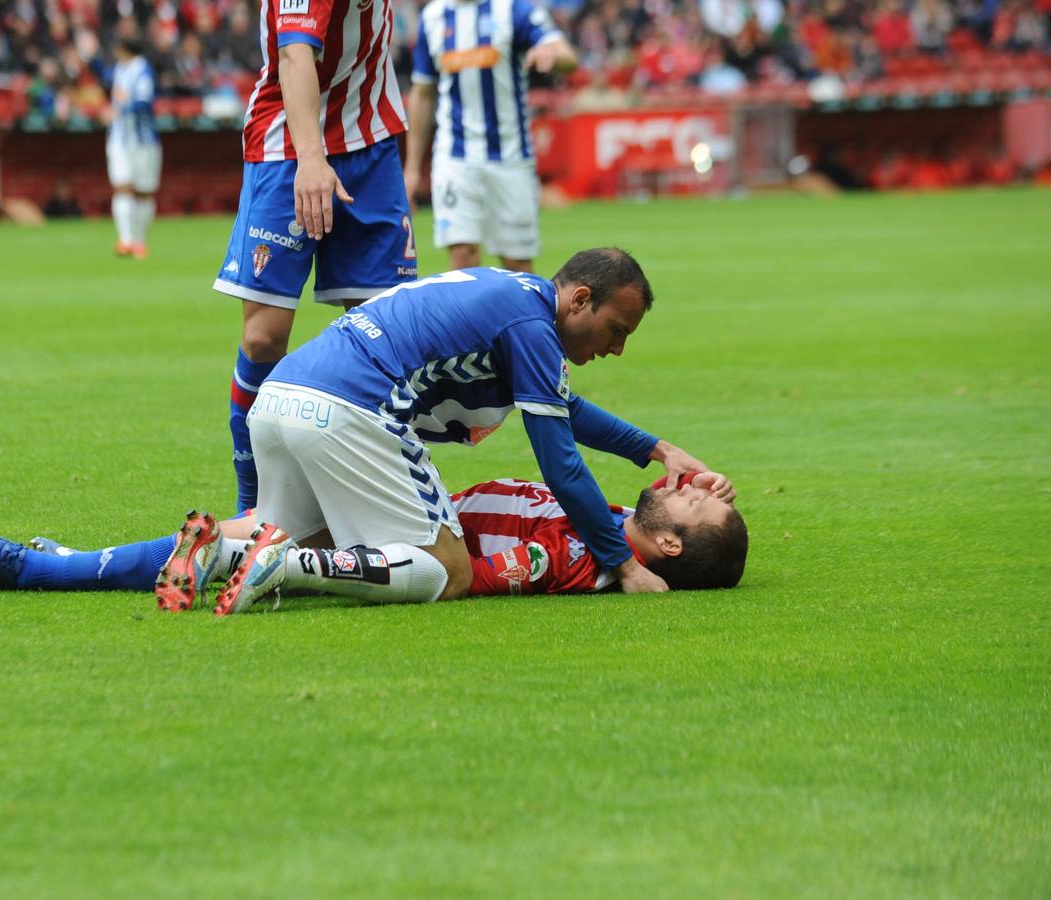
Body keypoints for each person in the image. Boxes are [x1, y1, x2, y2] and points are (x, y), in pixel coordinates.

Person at [175, 248, 726, 616]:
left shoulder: (517, 299)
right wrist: (623, 563)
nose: (616, 348)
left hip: (282, 396)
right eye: (616, 329)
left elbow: (565, 408)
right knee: (449, 570)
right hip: (351, 411)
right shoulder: (531, 329)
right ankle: (284, 568)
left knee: (282, 531)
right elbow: (559, 464)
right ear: (580, 299)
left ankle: (205, 553)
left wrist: (656, 449)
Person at [0, 471, 747, 604]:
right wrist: (701, 491)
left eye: (690, 507)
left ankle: (39, 572)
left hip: (399, 531)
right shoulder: (613, 527)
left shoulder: (576, 556)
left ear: (669, 548)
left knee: (237, 540)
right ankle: (63, 565)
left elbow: (466, 576)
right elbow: (652, 515)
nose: (682, 490)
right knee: (233, 531)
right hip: (404, 507)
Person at [214, 0, 417, 515]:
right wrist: (311, 159)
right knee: (263, 337)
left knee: (387, 338)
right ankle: (253, 507)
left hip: (370, 140)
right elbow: (295, 54)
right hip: (289, 144)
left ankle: (383, 504)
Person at [403, 0, 577, 274]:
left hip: (511, 156)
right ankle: (465, 319)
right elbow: (423, 92)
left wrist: (552, 55)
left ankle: (520, 317)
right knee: (463, 254)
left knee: (517, 263)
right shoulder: (433, 16)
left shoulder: (514, 9)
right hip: (454, 155)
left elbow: (568, 57)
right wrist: (411, 168)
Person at [104, 38, 158, 259]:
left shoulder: (143, 71)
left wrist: (123, 107)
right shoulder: (119, 69)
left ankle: (139, 240)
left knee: (143, 192)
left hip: (143, 142)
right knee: (122, 186)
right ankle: (125, 240)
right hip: (119, 139)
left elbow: (145, 102)